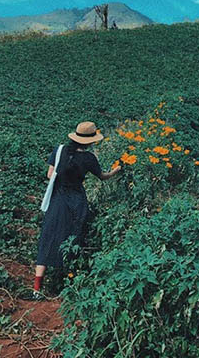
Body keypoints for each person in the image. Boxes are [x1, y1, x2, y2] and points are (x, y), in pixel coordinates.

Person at [33, 121, 121, 297]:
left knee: (49, 237)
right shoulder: (89, 158)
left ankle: (36, 289)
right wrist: (116, 170)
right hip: (77, 201)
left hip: (58, 199)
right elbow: (103, 177)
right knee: (73, 237)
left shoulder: (60, 150)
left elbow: (50, 174)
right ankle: (68, 280)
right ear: (91, 140)